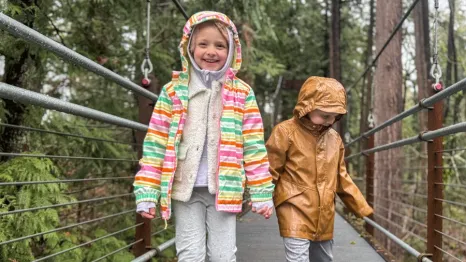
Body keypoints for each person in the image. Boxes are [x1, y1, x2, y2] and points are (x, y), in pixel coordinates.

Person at [133, 11, 274, 262]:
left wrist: (261, 192)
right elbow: (155, 144)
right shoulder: (173, 92)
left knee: (223, 255)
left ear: (231, 51)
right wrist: (147, 192)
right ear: (189, 47)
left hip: (226, 188)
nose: (211, 51)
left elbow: (253, 147)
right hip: (183, 187)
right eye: (203, 44)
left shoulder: (242, 94)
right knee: (189, 254)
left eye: (220, 45)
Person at [266, 76, 373, 262]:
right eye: (325, 115)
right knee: (298, 258)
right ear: (307, 106)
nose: (330, 121)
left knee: (323, 259)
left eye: (335, 117)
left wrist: (361, 208)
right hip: (294, 207)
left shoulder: (335, 140)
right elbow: (270, 168)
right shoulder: (285, 132)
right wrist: (262, 196)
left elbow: (341, 178)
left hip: (324, 213)